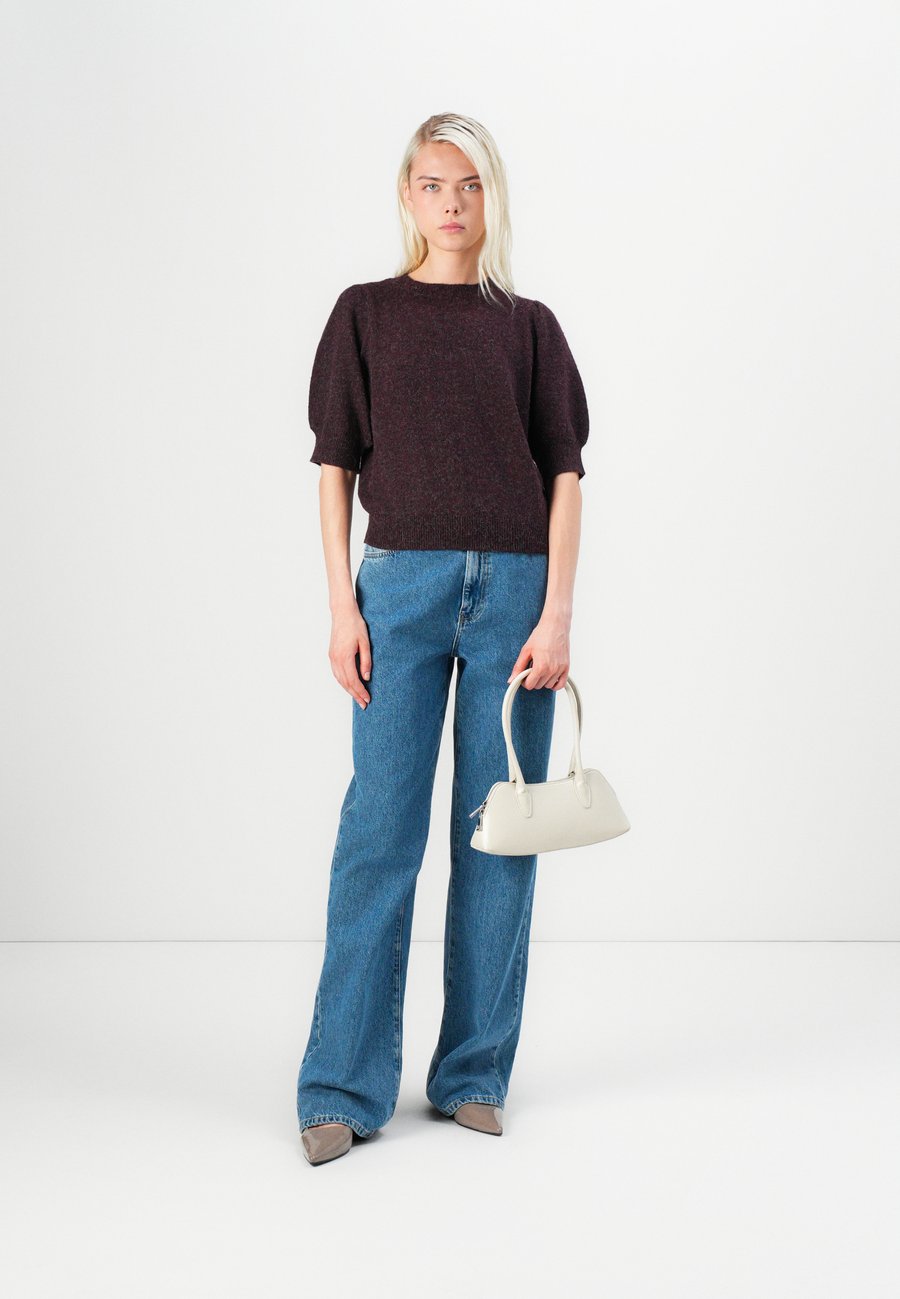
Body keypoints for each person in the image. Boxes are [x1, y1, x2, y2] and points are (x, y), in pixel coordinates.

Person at [296, 112, 590, 1165]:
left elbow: (565, 473)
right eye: (433, 184)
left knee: (498, 832)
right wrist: (343, 607)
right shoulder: (366, 314)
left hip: (515, 595)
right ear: (407, 196)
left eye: (469, 185)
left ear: (490, 197)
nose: (452, 203)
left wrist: (558, 611)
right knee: (379, 829)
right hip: (399, 588)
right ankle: (342, 1086)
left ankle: (473, 1074)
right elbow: (335, 464)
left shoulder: (529, 327)